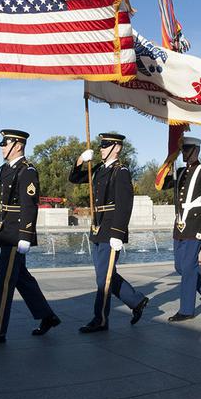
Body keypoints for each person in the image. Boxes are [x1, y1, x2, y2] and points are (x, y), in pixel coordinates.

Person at [0, 129, 61, 345]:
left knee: (3, 281)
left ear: (18, 145)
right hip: (6, 230)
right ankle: (47, 316)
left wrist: (26, 235)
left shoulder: (27, 170)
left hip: (15, 234)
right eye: (1, 144)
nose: (2, 147)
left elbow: (30, 205)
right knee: (21, 278)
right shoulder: (6, 168)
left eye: (5, 143)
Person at [69, 133, 149, 333]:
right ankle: (136, 301)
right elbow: (75, 178)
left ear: (116, 148)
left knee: (103, 278)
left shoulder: (120, 171)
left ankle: (100, 319)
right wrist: (80, 160)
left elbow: (124, 204)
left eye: (105, 146)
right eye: (101, 146)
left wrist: (118, 233)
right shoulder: (98, 169)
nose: (101, 149)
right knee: (105, 275)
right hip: (97, 227)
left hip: (111, 229)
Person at [161, 136, 201, 321]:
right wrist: (167, 164)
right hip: (180, 226)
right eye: (182, 150)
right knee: (180, 267)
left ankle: (186, 310)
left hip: (195, 226)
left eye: (187, 150)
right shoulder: (179, 171)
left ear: (196, 150)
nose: (184, 153)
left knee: (187, 267)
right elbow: (162, 185)